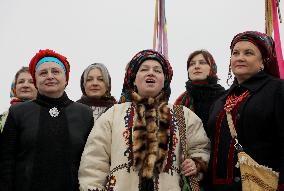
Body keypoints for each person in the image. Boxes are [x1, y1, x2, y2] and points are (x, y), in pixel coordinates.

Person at [78, 49, 210, 191]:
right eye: (144, 69)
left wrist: (196, 163)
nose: (151, 73)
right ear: (134, 79)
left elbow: (201, 148)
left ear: (165, 80)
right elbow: (93, 163)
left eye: (158, 70)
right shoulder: (113, 115)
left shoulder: (184, 116)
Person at [0, 49, 94, 191]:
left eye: (55, 71)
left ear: (66, 78)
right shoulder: (18, 113)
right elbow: (6, 162)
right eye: (43, 73)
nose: (50, 76)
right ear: (36, 80)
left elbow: (92, 162)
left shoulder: (84, 114)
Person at [205, 31, 284, 191]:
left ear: (263, 61)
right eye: (235, 53)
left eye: (248, 53)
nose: (240, 57)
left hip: (262, 185)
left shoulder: (277, 90)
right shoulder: (220, 101)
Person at [175, 50, 225, 134]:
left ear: (212, 68)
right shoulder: (181, 101)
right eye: (192, 64)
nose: (196, 66)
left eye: (202, 63)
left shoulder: (224, 98)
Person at [0, 67, 37, 133]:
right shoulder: (2, 118)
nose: (25, 85)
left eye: (31, 82)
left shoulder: (45, 114)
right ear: (14, 88)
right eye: (21, 82)